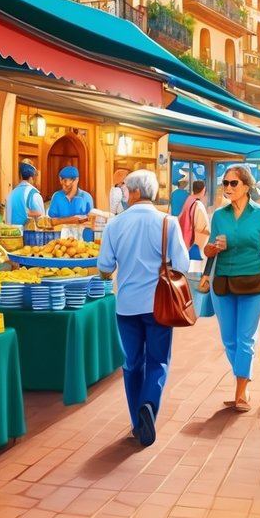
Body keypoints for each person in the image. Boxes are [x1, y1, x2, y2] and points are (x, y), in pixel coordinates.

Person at [97, 170, 189, 448]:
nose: (124, 194)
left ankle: (138, 422)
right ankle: (149, 404)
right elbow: (182, 266)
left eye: (125, 190)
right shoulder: (168, 223)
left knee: (132, 363)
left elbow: (104, 268)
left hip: (126, 306)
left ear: (135, 192)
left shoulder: (115, 224)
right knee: (158, 360)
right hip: (160, 304)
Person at [199, 164, 260, 413]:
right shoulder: (219, 215)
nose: (227, 188)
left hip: (254, 283)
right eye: (225, 183)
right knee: (229, 340)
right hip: (222, 282)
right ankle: (244, 377)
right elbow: (207, 251)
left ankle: (240, 390)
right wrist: (214, 248)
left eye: (233, 183)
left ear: (247, 187)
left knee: (245, 338)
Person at [47, 165, 95, 241]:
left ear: (77, 180)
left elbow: (92, 221)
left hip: (83, 241)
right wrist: (72, 220)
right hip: (62, 242)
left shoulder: (86, 197)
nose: (67, 185)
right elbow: (51, 222)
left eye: (70, 182)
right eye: (64, 182)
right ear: (60, 180)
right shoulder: (57, 197)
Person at [178, 180, 211, 259]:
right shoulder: (198, 205)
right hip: (195, 244)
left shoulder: (189, 200)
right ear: (203, 190)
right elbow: (202, 227)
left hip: (185, 239)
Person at [8, 161, 45, 226]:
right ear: (32, 178)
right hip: (28, 234)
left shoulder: (11, 194)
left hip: (11, 234)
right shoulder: (33, 194)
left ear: (21, 177)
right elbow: (42, 220)